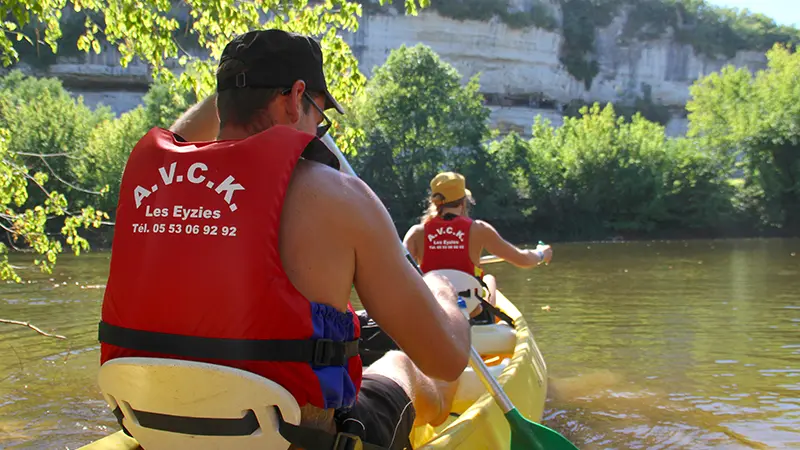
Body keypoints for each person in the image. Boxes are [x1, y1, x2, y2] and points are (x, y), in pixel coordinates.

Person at [98, 29, 470, 450]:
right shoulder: (339, 196)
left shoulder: (149, 185)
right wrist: (442, 291)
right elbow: (448, 361)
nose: (319, 129)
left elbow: (184, 135)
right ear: (296, 97)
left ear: (222, 106)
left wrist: (233, 85)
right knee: (404, 362)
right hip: (294, 438)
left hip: (154, 428)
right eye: (319, 114)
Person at [403, 172, 552, 318]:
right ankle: (489, 324)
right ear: (463, 203)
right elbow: (523, 260)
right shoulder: (479, 229)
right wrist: (541, 253)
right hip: (472, 311)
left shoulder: (416, 232)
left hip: (432, 310)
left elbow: (399, 273)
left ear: (434, 202)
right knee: (489, 280)